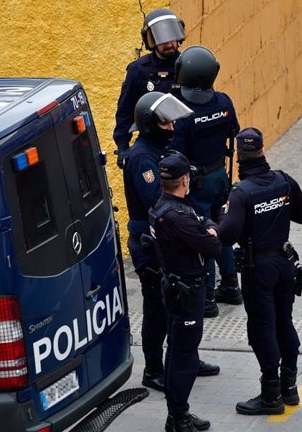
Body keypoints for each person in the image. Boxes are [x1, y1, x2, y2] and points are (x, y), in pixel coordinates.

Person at [123, 91, 219, 393]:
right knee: (158, 308)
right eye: (165, 124)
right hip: (150, 244)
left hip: (168, 240)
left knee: (180, 308)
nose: (172, 128)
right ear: (151, 125)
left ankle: (185, 357)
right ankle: (153, 369)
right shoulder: (142, 158)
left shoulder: (160, 152)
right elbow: (160, 202)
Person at [217, 127, 302, 415]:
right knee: (285, 321)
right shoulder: (284, 181)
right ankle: (290, 387)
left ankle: (271, 395)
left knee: (262, 329)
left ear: (240, 157)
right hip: (284, 264)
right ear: (262, 151)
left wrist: (223, 215)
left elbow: (227, 235)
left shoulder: (242, 193)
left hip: (258, 269)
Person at [149, 152, 222, 432]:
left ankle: (177, 412)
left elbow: (200, 221)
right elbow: (213, 246)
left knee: (176, 351)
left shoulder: (164, 207)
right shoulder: (179, 217)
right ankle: (178, 417)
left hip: (177, 286)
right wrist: (212, 229)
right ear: (184, 179)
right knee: (184, 356)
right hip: (187, 291)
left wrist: (206, 227)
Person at [170, 45, 242, 318]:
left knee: (203, 236)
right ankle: (231, 285)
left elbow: (176, 152)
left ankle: (208, 297)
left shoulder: (182, 112)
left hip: (196, 182)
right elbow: (233, 131)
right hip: (219, 177)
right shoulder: (224, 102)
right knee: (220, 229)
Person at [114, 8, 186, 169]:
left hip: (184, 142)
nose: (169, 44)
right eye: (162, 40)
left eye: (172, 38)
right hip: (152, 144)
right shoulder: (138, 71)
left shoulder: (188, 64)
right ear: (151, 41)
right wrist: (123, 147)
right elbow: (125, 112)